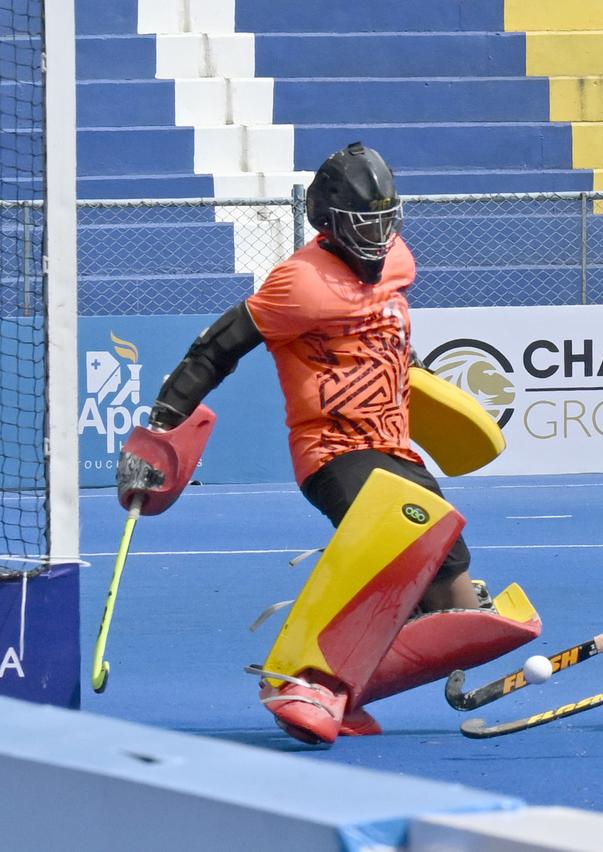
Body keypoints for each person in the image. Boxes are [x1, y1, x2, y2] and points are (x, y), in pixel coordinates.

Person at [118, 142, 536, 744]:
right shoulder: (299, 283)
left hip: (395, 448)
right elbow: (217, 348)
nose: (380, 235)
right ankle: (302, 675)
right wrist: (163, 421)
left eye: (387, 221)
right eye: (366, 223)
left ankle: (345, 692)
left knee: (457, 591)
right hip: (335, 452)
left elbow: (390, 346)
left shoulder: (398, 264)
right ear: (332, 223)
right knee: (402, 536)